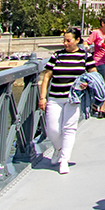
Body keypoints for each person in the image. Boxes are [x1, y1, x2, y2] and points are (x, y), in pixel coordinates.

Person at [37, 27, 90, 174]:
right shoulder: (57, 55)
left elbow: (93, 75)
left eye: (68, 40)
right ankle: (58, 148)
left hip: (73, 98)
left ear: (77, 40)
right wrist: (43, 97)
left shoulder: (85, 56)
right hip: (55, 97)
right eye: (64, 40)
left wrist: (87, 84)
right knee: (52, 129)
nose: (65, 43)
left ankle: (64, 160)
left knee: (69, 128)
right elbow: (47, 76)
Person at [87, 19, 105, 116]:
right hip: (99, 61)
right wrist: (86, 47)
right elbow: (87, 42)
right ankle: (99, 105)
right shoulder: (96, 33)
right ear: (103, 23)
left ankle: (100, 105)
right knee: (104, 84)